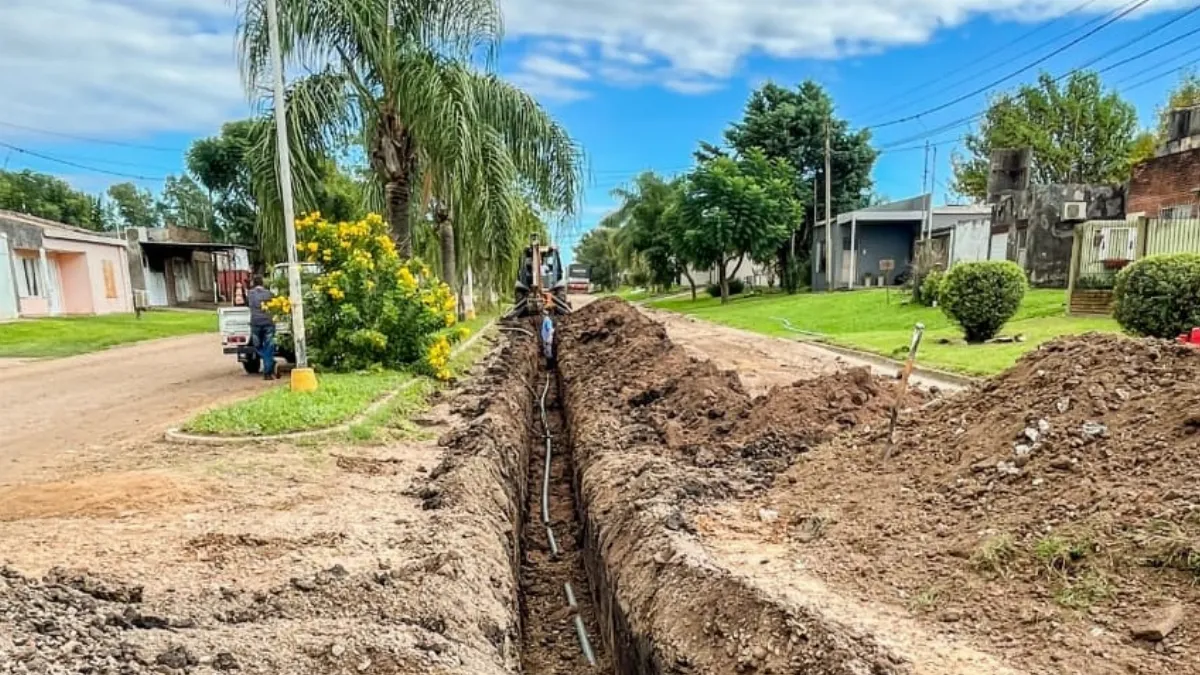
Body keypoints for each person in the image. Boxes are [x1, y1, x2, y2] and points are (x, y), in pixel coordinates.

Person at [247, 275, 277, 380]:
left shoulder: (250, 294)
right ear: (263, 283)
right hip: (268, 323)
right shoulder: (270, 294)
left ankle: (268, 369)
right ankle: (269, 366)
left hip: (255, 323)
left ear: (253, 283)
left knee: (257, 346)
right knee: (268, 346)